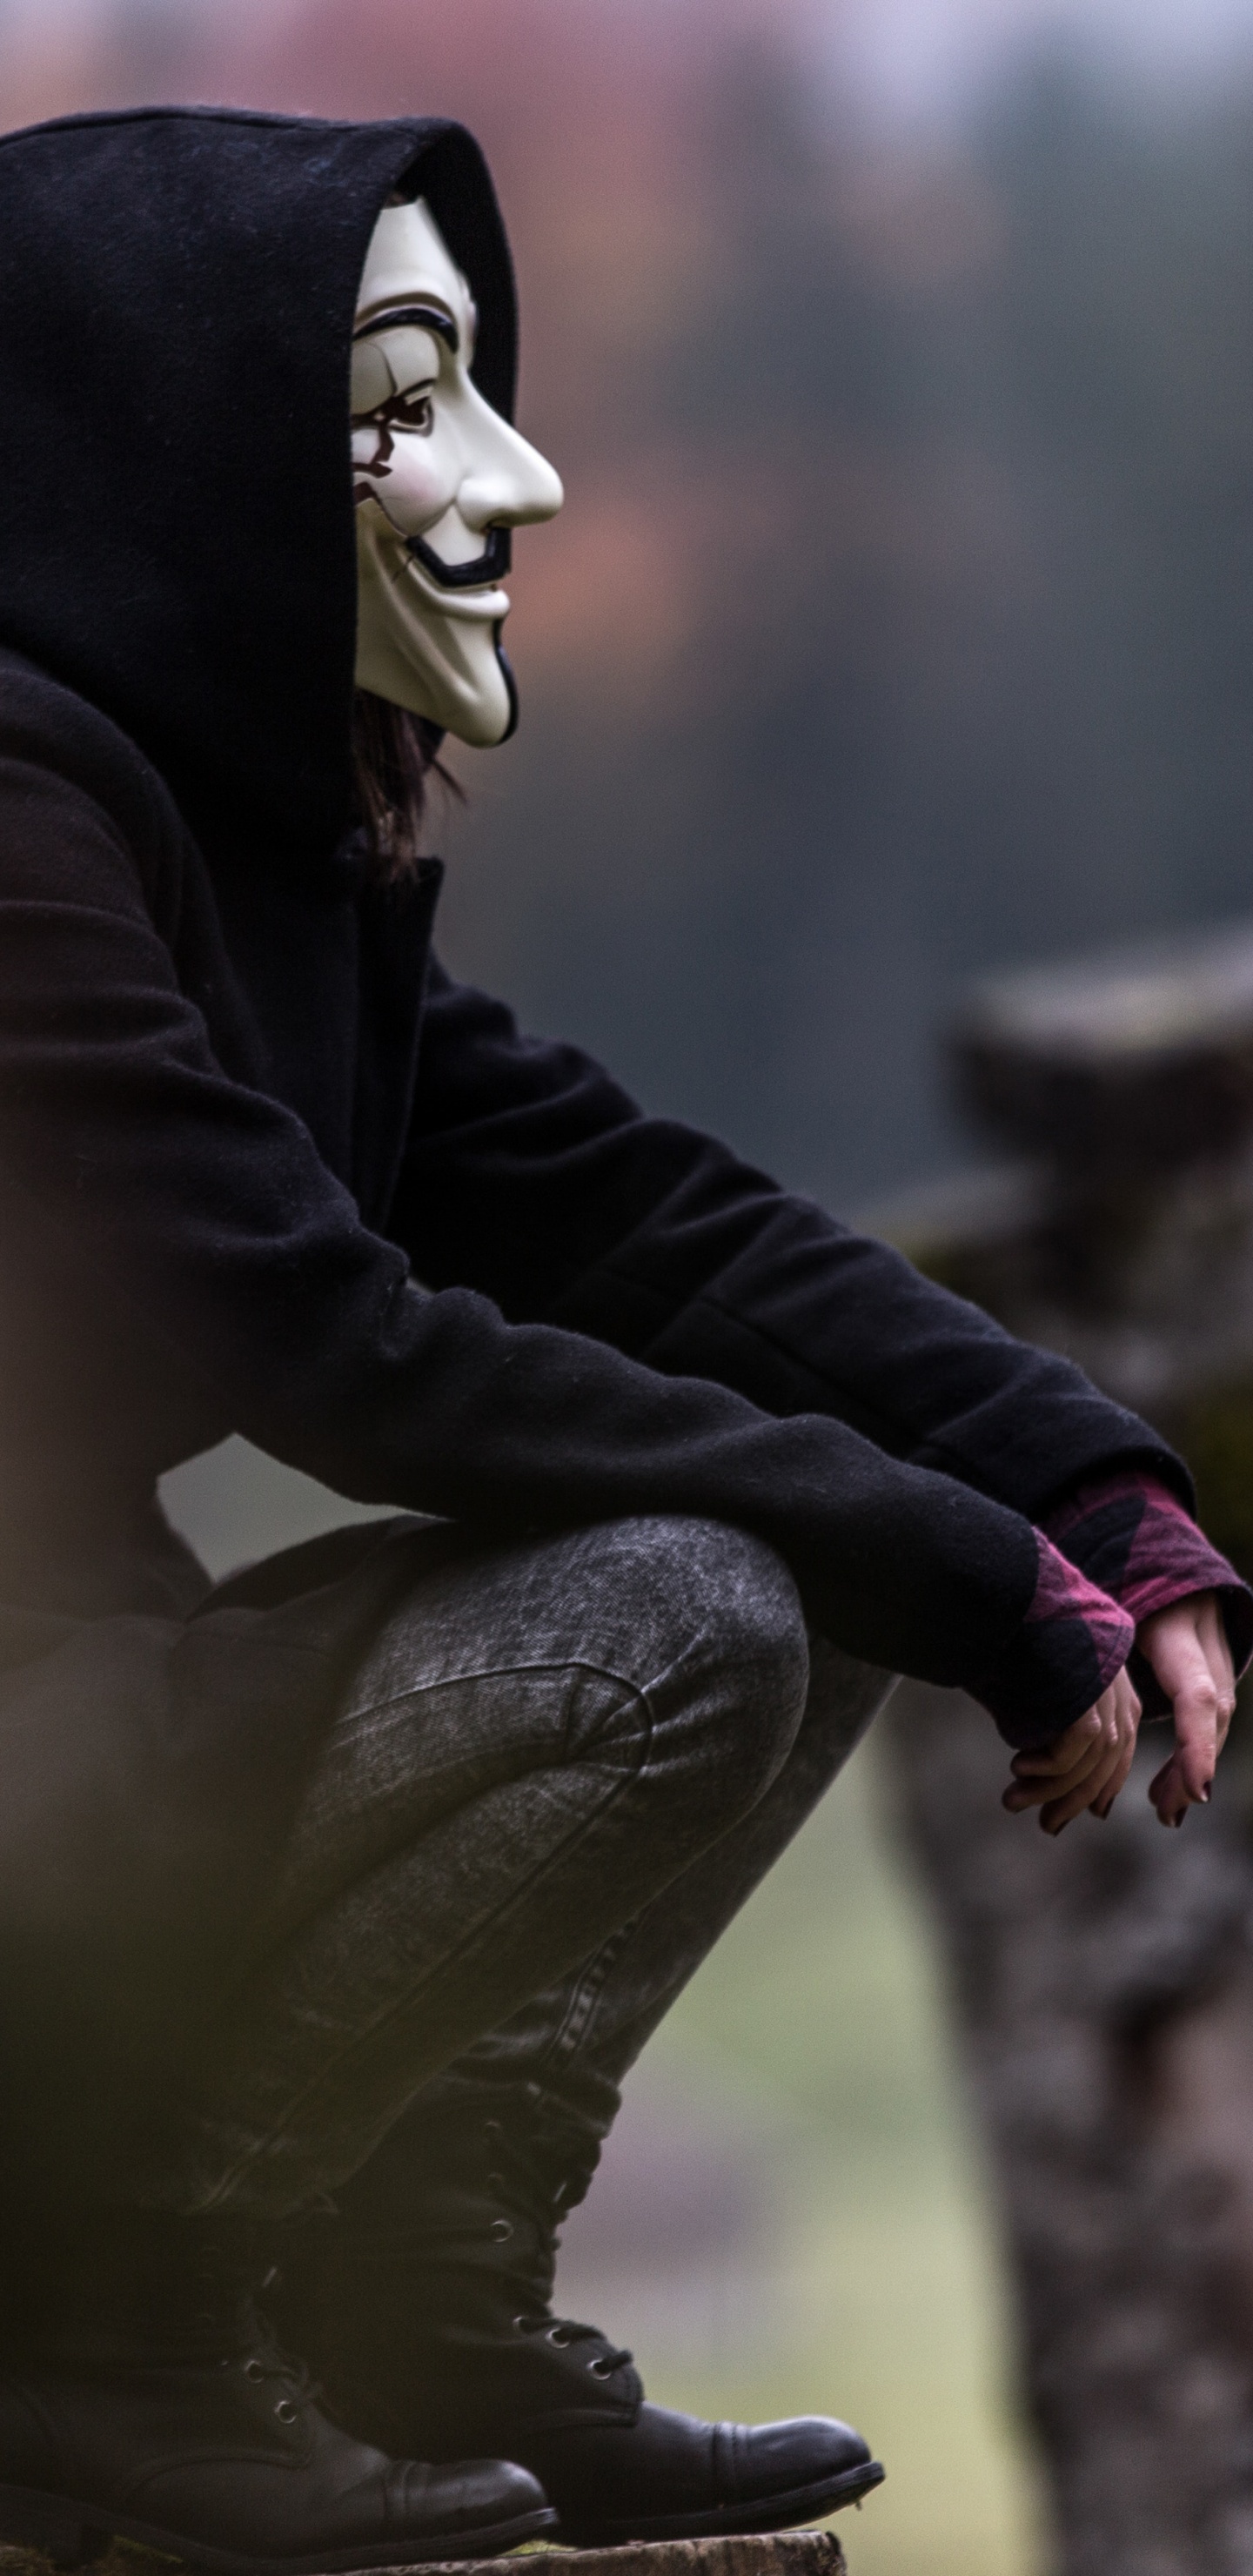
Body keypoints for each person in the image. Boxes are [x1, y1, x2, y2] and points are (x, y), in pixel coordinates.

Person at [0, 102, 1244, 2574]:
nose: (517, 479)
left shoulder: (229, 833)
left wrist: (1079, 1487)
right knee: (698, 1602)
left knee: (793, 1559)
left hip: (75, 1744)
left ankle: (414, 2304)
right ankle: (104, 2337)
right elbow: (339, 1352)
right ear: (171, 445)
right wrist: (972, 1578)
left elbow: (627, 1207)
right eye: (400, 414)